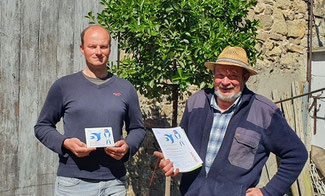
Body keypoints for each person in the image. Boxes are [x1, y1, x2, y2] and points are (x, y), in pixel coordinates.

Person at [154, 46, 308, 196]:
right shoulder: (196, 102)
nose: (225, 81)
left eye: (233, 76)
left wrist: (268, 192)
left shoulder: (263, 111)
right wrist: (171, 163)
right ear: (213, 75)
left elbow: (296, 154)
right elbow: (182, 148)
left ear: (245, 78)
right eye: (220, 75)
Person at [34, 25, 146, 196]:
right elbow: (42, 126)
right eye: (92, 46)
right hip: (73, 183)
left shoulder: (125, 88)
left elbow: (137, 128)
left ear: (110, 48)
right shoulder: (64, 86)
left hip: (114, 182)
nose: (98, 51)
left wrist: (128, 146)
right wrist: (66, 143)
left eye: (103, 46)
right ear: (82, 49)